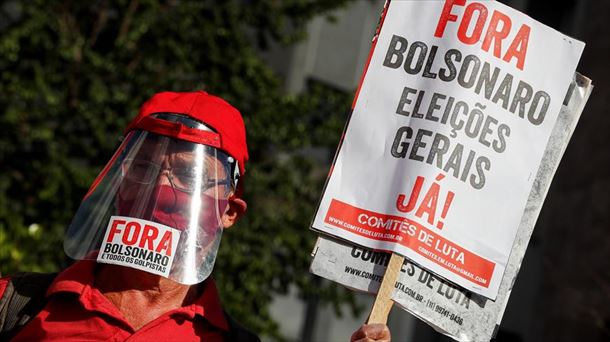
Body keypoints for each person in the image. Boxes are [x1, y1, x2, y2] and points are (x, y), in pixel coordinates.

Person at [0, 90, 390, 341]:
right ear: (118, 183)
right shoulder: (15, 304)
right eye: (144, 168)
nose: (161, 188)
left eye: (190, 176)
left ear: (230, 212)